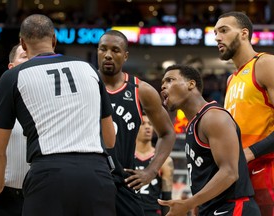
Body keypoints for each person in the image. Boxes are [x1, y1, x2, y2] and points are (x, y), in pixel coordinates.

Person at [0, 14, 116, 216]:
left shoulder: (14, 76)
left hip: (49, 175)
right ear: (54, 39)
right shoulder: (89, 69)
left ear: (23, 42)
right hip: (96, 175)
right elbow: (109, 139)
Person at [158, 64, 260, 216]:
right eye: (162, 84)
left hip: (232, 208)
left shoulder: (213, 117)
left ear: (191, 84)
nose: (163, 87)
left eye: (170, 80)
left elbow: (230, 173)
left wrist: (188, 204)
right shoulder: (193, 123)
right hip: (212, 208)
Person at [97, 29, 176, 216]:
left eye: (115, 50)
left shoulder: (141, 91)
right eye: (103, 49)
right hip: (89, 180)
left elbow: (167, 133)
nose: (108, 55)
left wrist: (151, 171)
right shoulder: (85, 83)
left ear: (125, 56)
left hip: (122, 182)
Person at [214, 11, 274, 215]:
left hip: (268, 172)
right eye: (215, 32)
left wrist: (249, 153)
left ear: (244, 34)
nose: (217, 37)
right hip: (241, 176)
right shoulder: (231, 80)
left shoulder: (265, 64)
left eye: (224, 30)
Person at [0, 44, 29, 216]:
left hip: (39, 195)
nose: (31, 60)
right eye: (25, 56)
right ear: (11, 67)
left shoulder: (49, 105)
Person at [134, 113, 174, 216]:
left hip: (152, 212)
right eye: (143, 124)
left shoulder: (163, 159)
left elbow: (167, 198)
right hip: (130, 209)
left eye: (150, 124)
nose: (147, 127)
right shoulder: (126, 155)